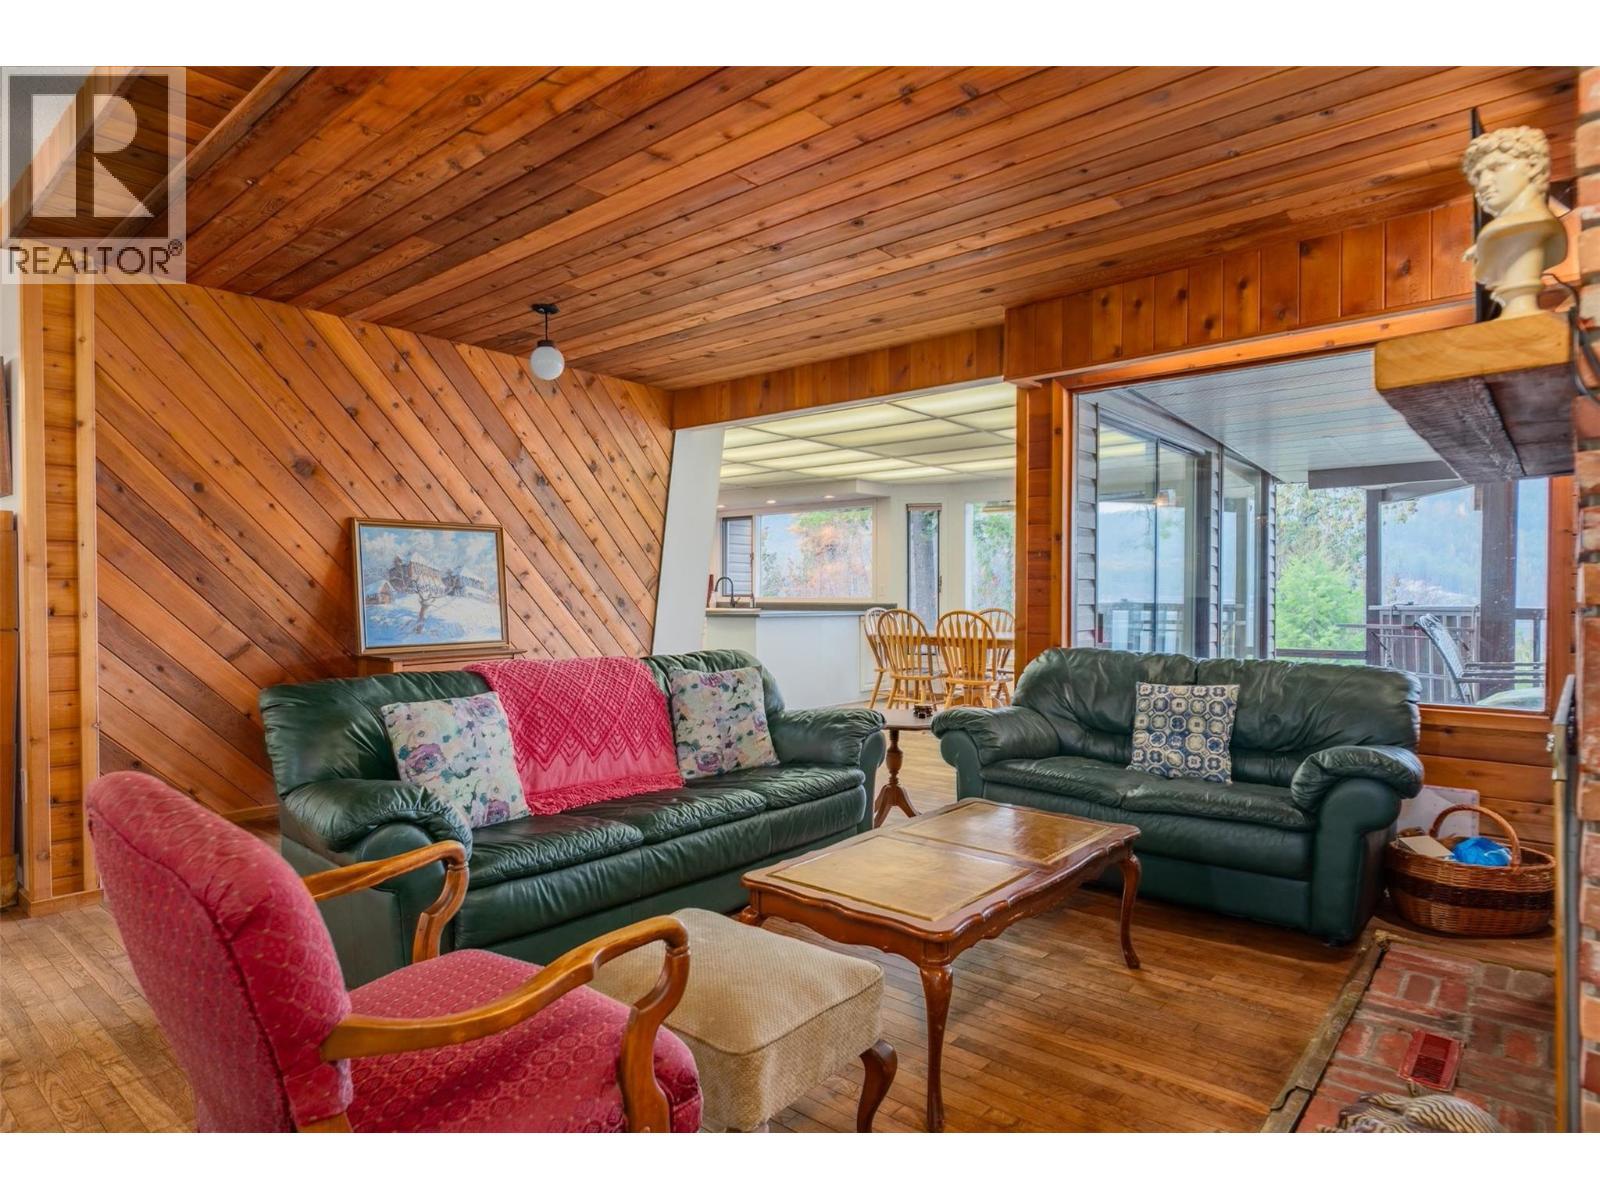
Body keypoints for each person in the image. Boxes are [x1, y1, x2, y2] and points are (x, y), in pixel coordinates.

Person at [1460, 126, 1566, 320]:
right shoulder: (1500, 231)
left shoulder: (1532, 225)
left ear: (1532, 166)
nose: (1483, 183)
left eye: (1496, 167)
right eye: (1477, 175)